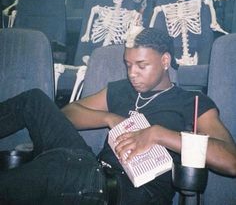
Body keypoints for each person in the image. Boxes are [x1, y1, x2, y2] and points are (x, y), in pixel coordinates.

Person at [0, 28, 235, 205]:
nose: (132, 73)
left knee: (50, 169)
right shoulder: (122, 89)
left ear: (165, 61)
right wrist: (109, 119)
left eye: (141, 65)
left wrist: (158, 135)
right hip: (88, 165)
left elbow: (231, 161)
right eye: (128, 64)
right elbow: (67, 115)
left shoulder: (190, 102)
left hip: (125, 190)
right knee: (34, 101)